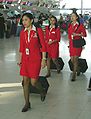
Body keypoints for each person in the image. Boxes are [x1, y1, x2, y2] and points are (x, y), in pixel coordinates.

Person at [18, 12, 47, 112]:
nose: (24, 22)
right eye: (23, 20)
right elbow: (22, 48)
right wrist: (20, 60)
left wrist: (44, 59)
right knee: (25, 82)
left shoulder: (38, 31)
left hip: (36, 59)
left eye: (26, 20)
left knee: (33, 82)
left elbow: (43, 46)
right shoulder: (22, 32)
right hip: (26, 60)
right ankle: (27, 103)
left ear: (31, 20)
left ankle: (42, 91)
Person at [68, 12, 87, 81]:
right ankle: (78, 69)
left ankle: (74, 75)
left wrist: (77, 34)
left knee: (75, 59)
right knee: (72, 60)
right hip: (71, 44)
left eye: (73, 16)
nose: (72, 17)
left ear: (76, 17)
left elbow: (84, 34)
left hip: (77, 44)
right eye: (71, 16)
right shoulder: (70, 25)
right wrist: (69, 43)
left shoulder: (80, 25)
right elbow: (69, 35)